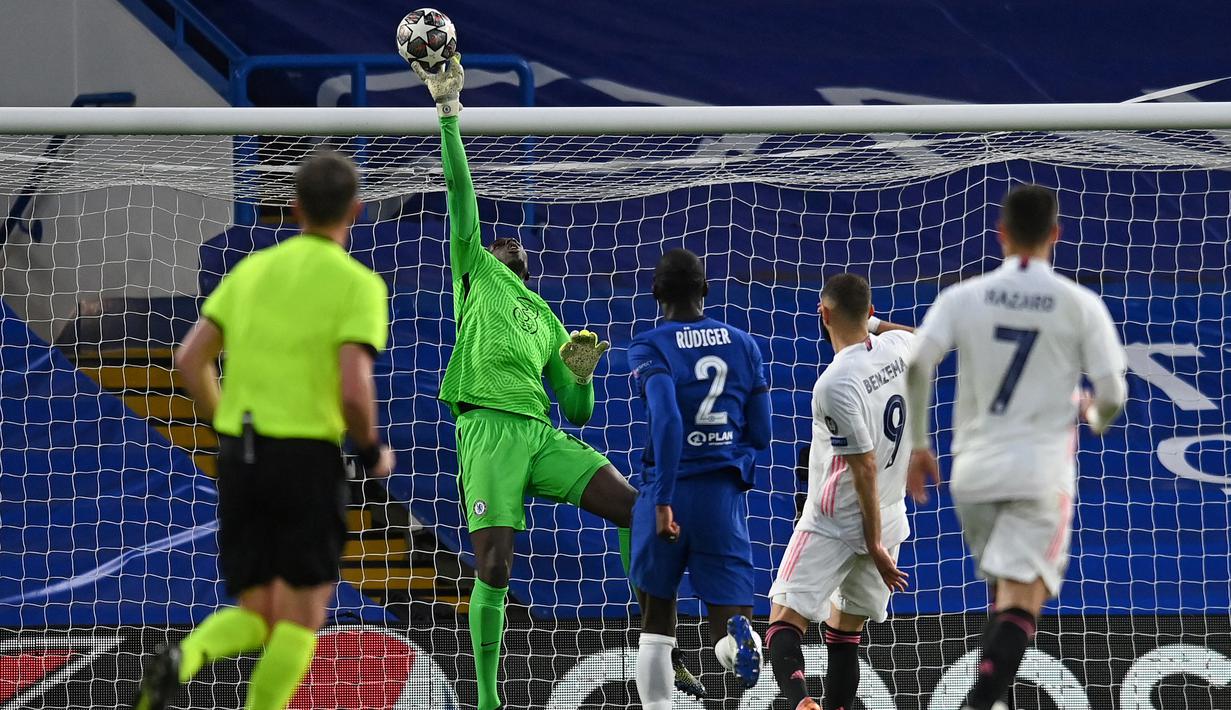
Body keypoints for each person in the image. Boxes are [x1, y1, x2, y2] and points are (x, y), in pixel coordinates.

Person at [412, 57, 638, 710]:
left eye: (515, 247)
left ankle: (648, 628)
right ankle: (486, 700)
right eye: (498, 241)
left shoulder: (546, 320)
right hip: (486, 429)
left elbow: (579, 412)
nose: (506, 246)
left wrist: (582, 374)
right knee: (494, 568)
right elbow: (460, 193)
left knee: (629, 505)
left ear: (528, 267)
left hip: (539, 436)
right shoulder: (474, 269)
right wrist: (449, 116)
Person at [133, 151, 393, 710]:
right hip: (306, 459)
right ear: (357, 209)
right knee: (301, 619)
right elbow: (353, 386)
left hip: (243, 456)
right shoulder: (358, 285)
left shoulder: (251, 271)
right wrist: (371, 449)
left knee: (258, 614)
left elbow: (189, 360)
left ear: (293, 208)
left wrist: (226, 426)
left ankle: (187, 656)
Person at [905, 184, 1128, 710]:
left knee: (1003, 597)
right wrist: (1095, 416)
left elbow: (917, 363)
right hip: (1039, 475)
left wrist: (919, 444)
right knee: (1026, 601)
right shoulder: (1080, 304)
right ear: (1055, 234)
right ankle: (977, 704)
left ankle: (992, 700)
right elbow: (1114, 392)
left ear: (1001, 234)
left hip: (973, 474)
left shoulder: (963, 296)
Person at [627, 248, 773, 707]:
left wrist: (665, 498)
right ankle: (735, 644)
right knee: (730, 619)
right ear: (705, 290)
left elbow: (667, 421)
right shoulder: (744, 344)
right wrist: (729, 457)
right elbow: (763, 432)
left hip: (665, 493)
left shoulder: (650, 345)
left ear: (655, 294)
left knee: (655, 623)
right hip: (721, 497)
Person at [764, 273, 915, 710]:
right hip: (888, 516)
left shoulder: (834, 384)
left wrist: (869, 542)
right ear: (869, 314)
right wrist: (877, 326)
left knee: (784, 621)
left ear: (823, 315)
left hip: (834, 519)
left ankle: (800, 702)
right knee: (846, 632)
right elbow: (922, 338)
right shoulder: (898, 350)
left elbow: (863, 465)